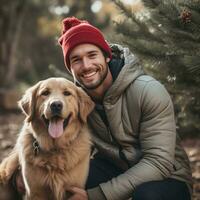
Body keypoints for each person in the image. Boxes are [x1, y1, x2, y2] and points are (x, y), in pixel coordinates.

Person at [15, 17, 192, 200]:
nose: (86, 66)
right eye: (76, 60)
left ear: (107, 56)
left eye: (92, 55)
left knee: (146, 196)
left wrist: (96, 195)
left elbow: (159, 163)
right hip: (115, 167)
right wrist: (24, 168)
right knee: (68, 183)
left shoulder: (148, 91)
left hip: (167, 176)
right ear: (71, 69)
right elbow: (36, 131)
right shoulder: (76, 100)